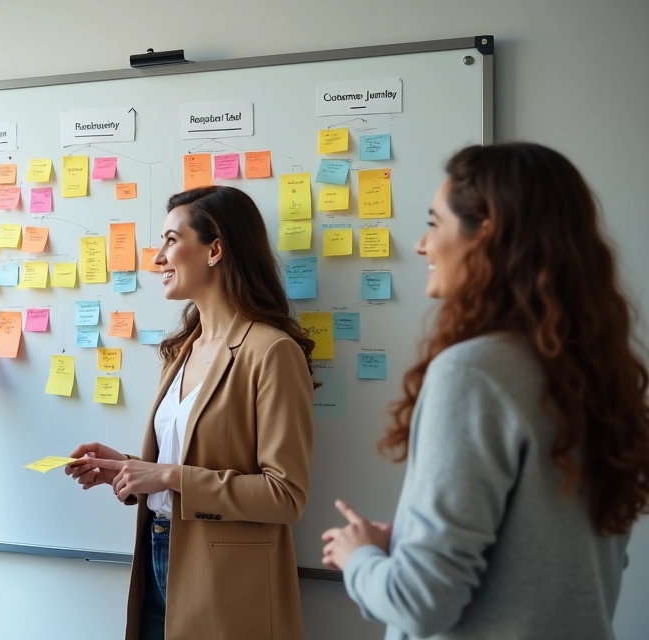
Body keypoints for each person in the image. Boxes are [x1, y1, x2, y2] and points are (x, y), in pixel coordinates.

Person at [321, 143, 649, 639]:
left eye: (435, 223)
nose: (421, 246)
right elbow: (563, 564)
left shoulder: (473, 372)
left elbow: (419, 603)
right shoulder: (595, 374)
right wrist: (410, 543)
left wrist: (359, 556)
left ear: (487, 233)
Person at [65, 185, 316, 640]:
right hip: (159, 561)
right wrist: (125, 470)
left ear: (215, 249)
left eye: (171, 240)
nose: (158, 258)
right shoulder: (181, 350)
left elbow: (286, 495)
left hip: (227, 583)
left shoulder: (271, 351)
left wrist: (167, 476)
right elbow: (182, 462)